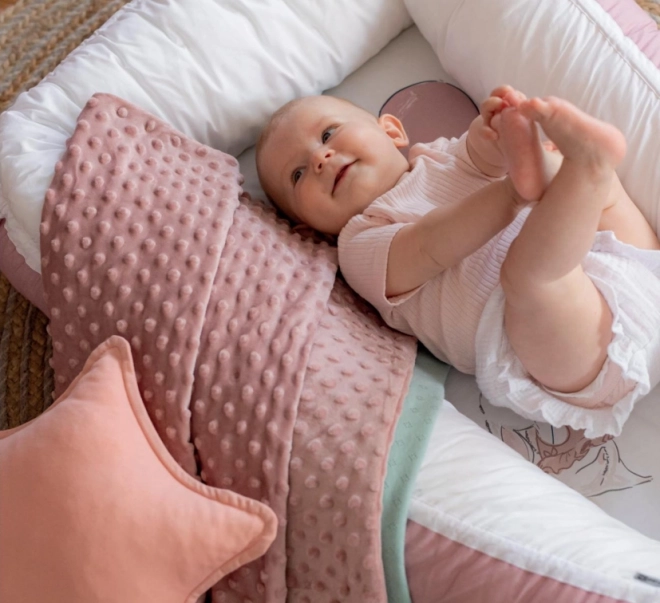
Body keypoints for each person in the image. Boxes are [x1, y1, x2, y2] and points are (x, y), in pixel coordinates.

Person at [255, 85, 660, 437]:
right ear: (309, 226)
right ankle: (586, 166)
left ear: (391, 130)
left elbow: (480, 160)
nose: (321, 158)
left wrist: (497, 130)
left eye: (327, 133)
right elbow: (432, 243)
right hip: (577, 352)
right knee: (527, 278)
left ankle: (586, 171)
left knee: (591, 193)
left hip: (626, 268)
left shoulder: (440, 157)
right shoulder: (359, 244)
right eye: (298, 175)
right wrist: (511, 193)